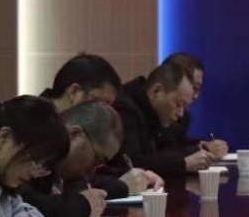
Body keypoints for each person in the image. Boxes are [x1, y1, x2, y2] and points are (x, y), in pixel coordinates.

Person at [40, 55, 163, 197]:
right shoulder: (35, 130)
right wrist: (121, 185)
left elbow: (86, 178)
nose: (103, 112)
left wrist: (132, 176)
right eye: (98, 102)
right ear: (74, 92)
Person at [20, 101, 123, 217]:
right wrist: (81, 205)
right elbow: (23, 202)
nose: (93, 170)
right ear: (74, 134)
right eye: (96, 159)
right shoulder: (30, 149)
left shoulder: (65, 172)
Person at [112, 61, 212, 177]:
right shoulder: (126, 110)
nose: (181, 114)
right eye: (178, 104)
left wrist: (198, 148)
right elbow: (131, 164)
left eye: (184, 107)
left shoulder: (153, 112)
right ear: (156, 91)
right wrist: (182, 164)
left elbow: (164, 150)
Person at [0, 96, 70, 217]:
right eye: (34, 159)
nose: (35, 173)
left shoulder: (7, 194)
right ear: (4, 138)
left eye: (43, 165)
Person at [156, 53, 228, 160]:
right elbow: (159, 153)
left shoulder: (183, 116)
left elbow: (176, 143)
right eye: (193, 88)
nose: (195, 96)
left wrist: (203, 145)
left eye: (198, 89)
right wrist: (200, 149)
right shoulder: (138, 112)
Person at [40, 54, 122, 112]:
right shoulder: (35, 125)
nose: (105, 114)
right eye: (98, 103)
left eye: (108, 106)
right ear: (74, 91)